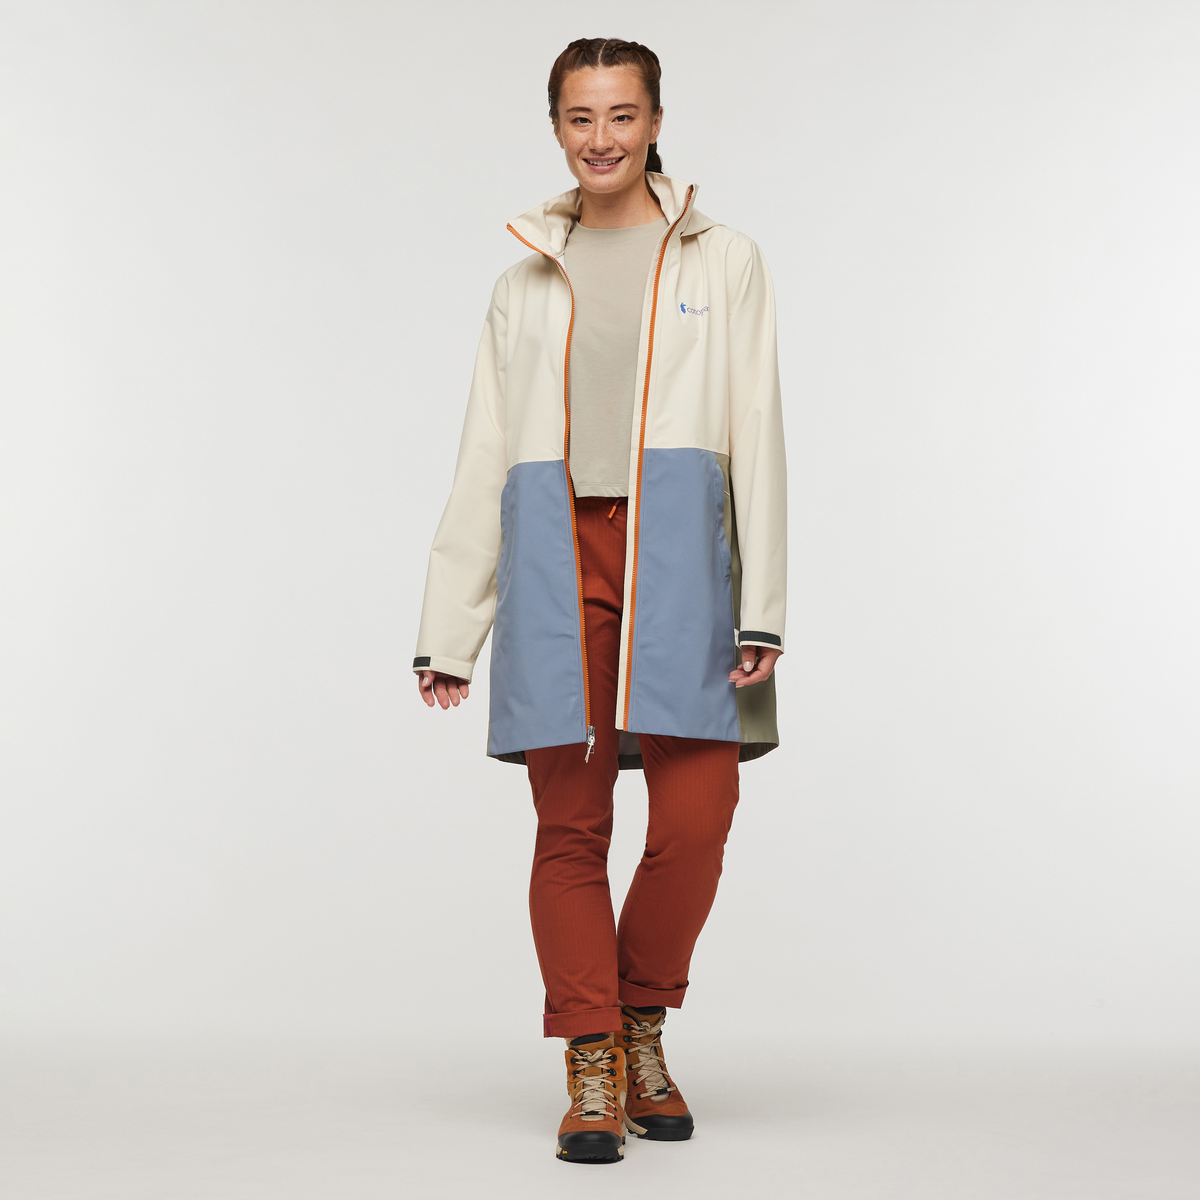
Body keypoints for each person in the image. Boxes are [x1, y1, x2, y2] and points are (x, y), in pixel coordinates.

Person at [413, 37, 786, 1164]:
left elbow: (757, 430)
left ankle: (639, 1023)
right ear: (557, 128)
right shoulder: (523, 280)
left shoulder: (725, 260)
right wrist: (450, 629)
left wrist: (762, 604)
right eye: (581, 118)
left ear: (656, 120)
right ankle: (591, 1061)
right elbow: (486, 456)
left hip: (683, 560)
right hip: (553, 557)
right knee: (569, 824)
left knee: (698, 817)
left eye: (623, 115)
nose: (602, 138)